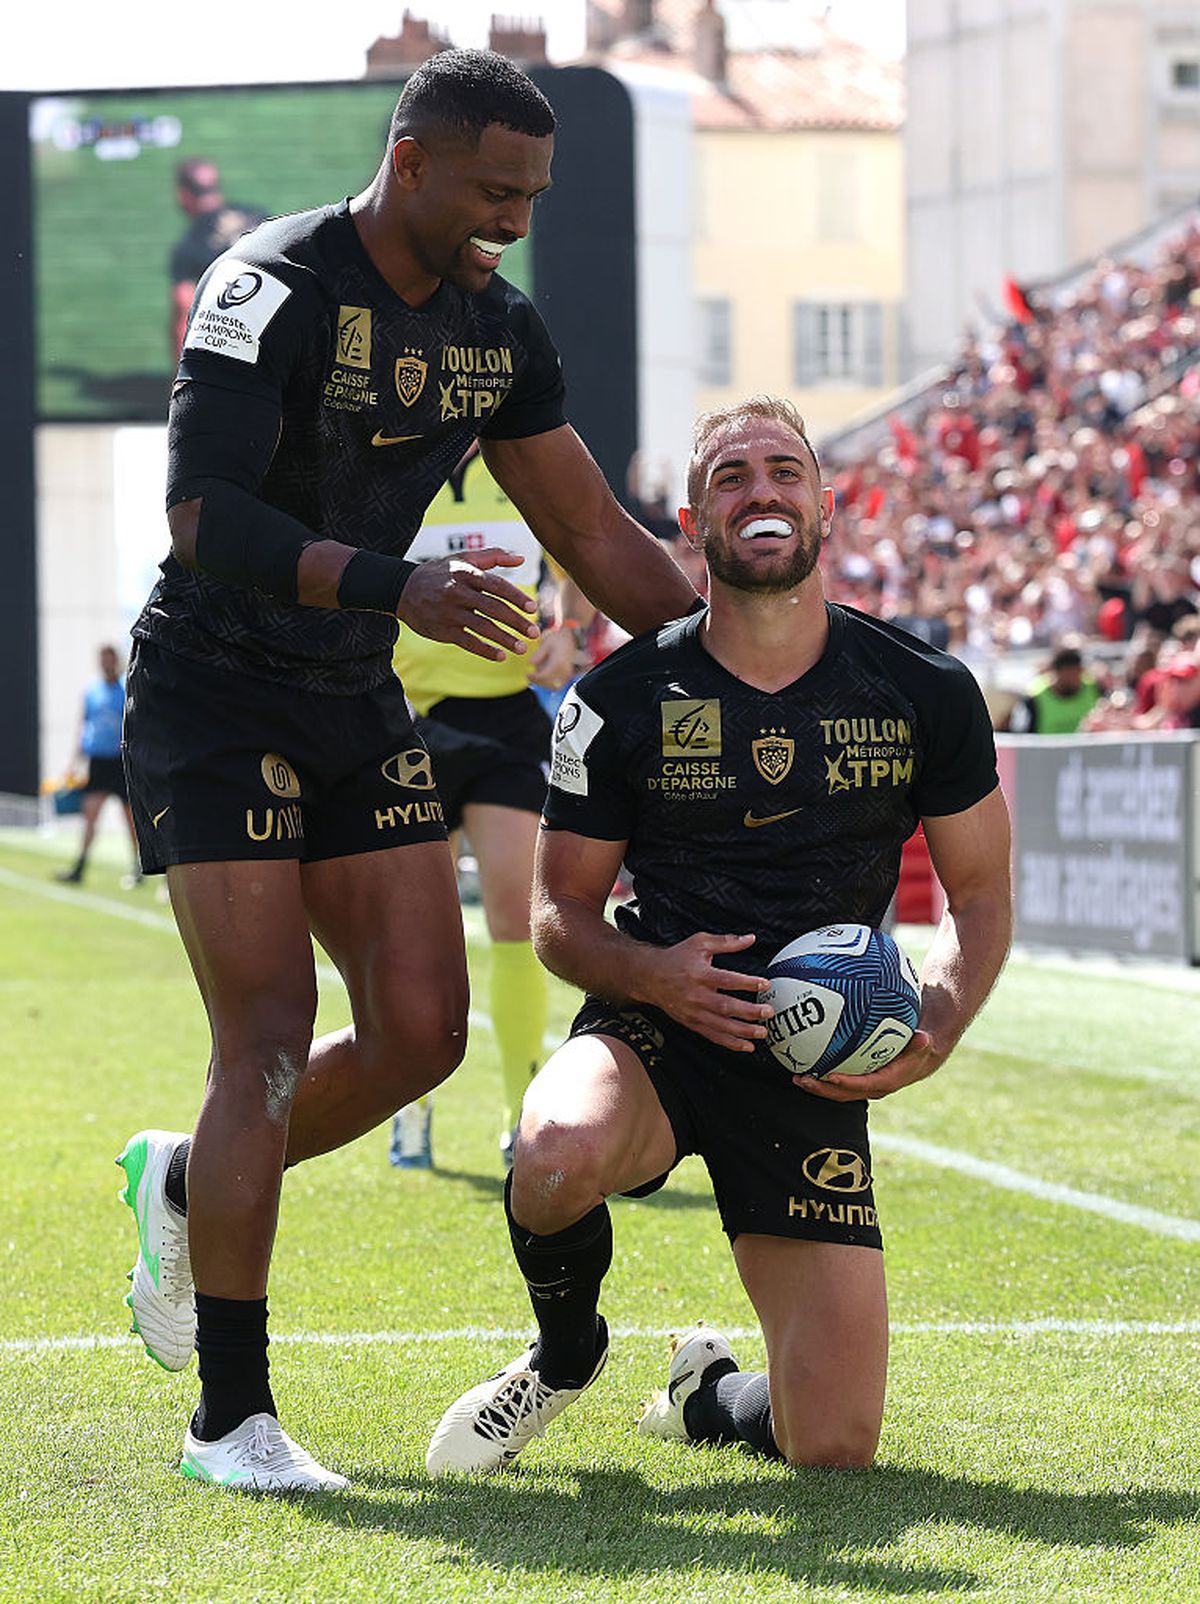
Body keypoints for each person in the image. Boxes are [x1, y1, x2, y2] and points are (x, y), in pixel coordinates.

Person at [116, 49, 696, 1495]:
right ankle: (230, 1423)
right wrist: (395, 583)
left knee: (422, 1036)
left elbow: (598, 535)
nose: (516, 217)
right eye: (497, 189)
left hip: (351, 695)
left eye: (536, 194)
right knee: (262, 1033)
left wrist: (752, 663)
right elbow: (203, 517)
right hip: (214, 684)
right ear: (415, 159)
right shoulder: (273, 282)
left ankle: (181, 1183)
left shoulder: (500, 331)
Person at [426, 396, 1012, 1477]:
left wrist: (935, 1023)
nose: (762, 492)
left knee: (831, 1442)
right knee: (551, 1155)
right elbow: (555, 915)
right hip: (658, 1022)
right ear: (695, 518)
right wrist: (655, 973)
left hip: (812, 1064)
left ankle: (707, 1393)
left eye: (785, 470)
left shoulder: (923, 688)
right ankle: (565, 1353)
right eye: (732, 477)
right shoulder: (622, 694)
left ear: (825, 502)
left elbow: (979, 898)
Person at [387, 447, 590, 1171]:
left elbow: (579, 565)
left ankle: (519, 1112)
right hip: (408, 721)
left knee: (515, 919)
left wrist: (567, 633)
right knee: (413, 931)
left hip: (506, 722)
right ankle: (408, 1110)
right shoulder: (390, 461)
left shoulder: (527, 465)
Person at [56, 644, 141, 888]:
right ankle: (80, 865)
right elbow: (83, 726)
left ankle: (138, 866)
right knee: (90, 815)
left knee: (131, 820)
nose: (107, 664)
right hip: (98, 762)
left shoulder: (127, 687)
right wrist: (74, 762)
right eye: (103, 659)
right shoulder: (92, 691)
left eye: (110, 659)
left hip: (120, 762)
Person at [169, 159, 268, 360]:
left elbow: (183, 309)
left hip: (236, 351)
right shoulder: (259, 217)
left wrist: (181, 381)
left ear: (184, 195)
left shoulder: (190, 245)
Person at [1006, 643, 1101, 734]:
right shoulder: (1034, 699)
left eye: (1078, 673)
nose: (1075, 679)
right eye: (1070, 674)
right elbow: (1021, 734)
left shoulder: (1093, 688)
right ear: (1057, 672)